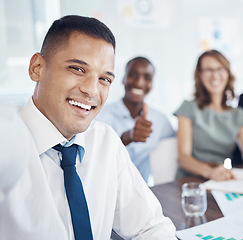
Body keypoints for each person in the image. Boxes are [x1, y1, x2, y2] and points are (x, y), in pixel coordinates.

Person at [0, 15, 176, 239]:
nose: (92, 90)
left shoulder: (105, 142)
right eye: (77, 69)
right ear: (37, 68)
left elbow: (151, 227)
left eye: (104, 79)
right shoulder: (5, 146)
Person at [174, 50, 243, 180]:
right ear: (200, 75)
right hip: (191, 179)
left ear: (228, 73)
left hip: (221, 179)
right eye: (208, 70)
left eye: (220, 69)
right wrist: (209, 172)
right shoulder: (188, 108)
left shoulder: (238, 114)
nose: (215, 76)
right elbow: (183, 158)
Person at [97, 57, 175, 184]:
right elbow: (94, 156)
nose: (139, 83)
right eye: (133, 75)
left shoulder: (160, 120)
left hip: (143, 191)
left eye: (147, 77)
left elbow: (175, 146)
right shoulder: (100, 116)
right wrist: (127, 137)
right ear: (123, 79)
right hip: (106, 189)